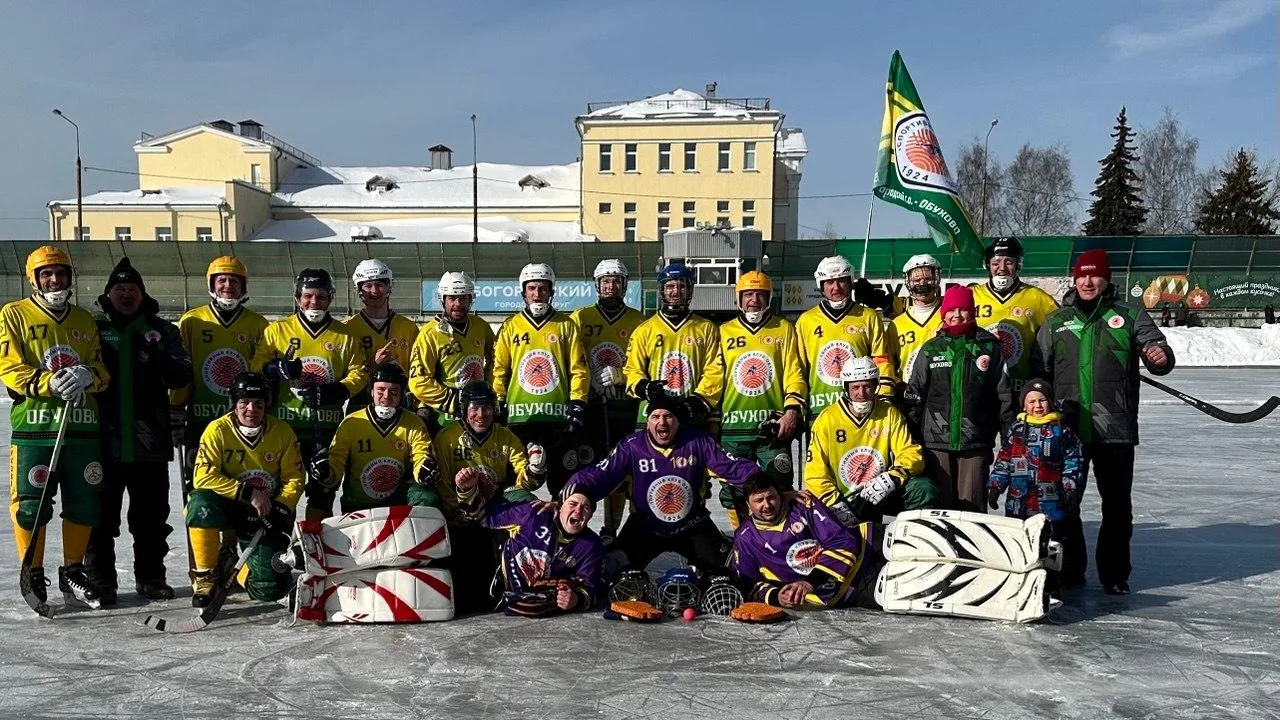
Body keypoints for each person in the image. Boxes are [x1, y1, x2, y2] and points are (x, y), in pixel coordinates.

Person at [1032, 248, 1174, 595]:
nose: (1087, 281)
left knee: (1116, 507)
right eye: (1081, 275)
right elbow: (1039, 371)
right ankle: (1070, 569)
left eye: (1094, 275)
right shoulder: (1056, 321)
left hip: (1116, 430)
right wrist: (1036, 399)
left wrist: (1159, 356)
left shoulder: (1128, 314)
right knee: (1065, 503)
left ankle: (1114, 574)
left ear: (1106, 278)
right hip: (1068, 431)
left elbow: (1157, 348)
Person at [0, 246, 111, 608]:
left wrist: (86, 375)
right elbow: (9, 367)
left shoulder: (83, 319)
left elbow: (101, 371)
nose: (55, 280)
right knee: (32, 504)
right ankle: (31, 569)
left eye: (61, 273)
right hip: (35, 427)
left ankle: (73, 570)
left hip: (81, 428)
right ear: (33, 278)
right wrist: (45, 383)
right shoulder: (13, 314)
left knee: (83, 503)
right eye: (47, 274)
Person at [85, 258, 193, 605]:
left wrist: (156, 356)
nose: (127, 294)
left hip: (150, 439)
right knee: (100, 517)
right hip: (103, 440)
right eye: (120, 289)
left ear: (142, 294)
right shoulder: (93, 328)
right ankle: (100, 580)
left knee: (150, 517)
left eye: (133, 289)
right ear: (108, 294)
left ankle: (151, 576)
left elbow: (181, 375)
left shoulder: (162, 330)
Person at [566, 395, 766, 575]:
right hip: (644, 529)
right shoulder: (632, 445)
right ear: (648, 421)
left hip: (693, 526)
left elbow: (732, 467)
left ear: (677, 421)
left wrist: (771, 488)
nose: (662, 422)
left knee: (732, 571)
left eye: (668, 416)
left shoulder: (698, 440)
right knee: (611, 571)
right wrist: (568, 495)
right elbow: (601, 474)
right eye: (655, 416)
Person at [253, 268, 369, 521]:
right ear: (297, 298)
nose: (313, 302)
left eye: (321, 296)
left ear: (330, 298)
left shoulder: (346, 334)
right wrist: (276, 368)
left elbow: (359, 373)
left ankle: (314, 545)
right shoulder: (278, 331)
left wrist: (336, 390)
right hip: (285, 425)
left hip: (325, 426)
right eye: (307, 296)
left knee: (322, 490)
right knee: (282, 490)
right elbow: (257, 365)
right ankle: (278, 547)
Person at [186, 372, 303, 607]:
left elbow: (295, 478)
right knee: (199, 504)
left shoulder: (282, 432)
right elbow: (202, 476)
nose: (251, 409)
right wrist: (248, 493)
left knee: (268, 589)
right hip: (229, 507)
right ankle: (205, 576)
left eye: (258, 403)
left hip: (263, 514)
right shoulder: (217, 430)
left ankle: (230, 567)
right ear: (234, 404)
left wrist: (282, 506)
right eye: (244, 403)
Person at [433, 379, 546, 612]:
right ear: (464, 410)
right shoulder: (446, 437)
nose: (481, 414)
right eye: (474, 408)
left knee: (527, 503)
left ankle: (527, 579)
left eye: (486, 407)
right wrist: (458, 513)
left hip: (494, 507)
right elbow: (443, 485)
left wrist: (535, 468)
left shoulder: (506, 437)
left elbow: (524, 481)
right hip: (460, 511)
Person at [170, 256, 269, 518]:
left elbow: (262, 375)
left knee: (238, 488)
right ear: (212, 285)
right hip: (200, 421)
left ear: (243, 286)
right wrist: (176, 408)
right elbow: (183, 370)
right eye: (221, 280)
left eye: (234, 281)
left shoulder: (258, 324)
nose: (227, 286)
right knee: (201, 489)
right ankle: (206, 555)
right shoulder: (192, 321)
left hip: (242, 425)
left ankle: (228, 549)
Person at [906, 285, 1015, 512]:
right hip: (936, 443)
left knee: (972, 507)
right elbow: (915, 395)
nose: (957, 315)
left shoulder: (989, 347)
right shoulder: (931, 349)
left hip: (975, 441)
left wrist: (1008, 437)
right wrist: (911, 437)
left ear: (972, 311)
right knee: (939, 508)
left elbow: (1003, 396)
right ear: (943, 314)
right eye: (951, 310)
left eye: (963, 310)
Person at [491, 263, 590, 497]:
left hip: (557, 419)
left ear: (551, 291)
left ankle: (563, 532)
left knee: (564, 486)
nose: (537, 294)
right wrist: (499, 399)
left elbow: (578, 369)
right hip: (520, 419)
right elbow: (499, 369)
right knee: (517, 483)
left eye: (543, 288)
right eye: (532, 288)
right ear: (523, 292)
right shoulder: (510, 326)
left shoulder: (566, 325)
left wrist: (578, 401)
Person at [717, 270, 807, 524]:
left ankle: (782, 538)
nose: (754, 300)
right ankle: (742, 540)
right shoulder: (723, 332)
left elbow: (794, 373)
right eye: (748, 294)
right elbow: (715, 379)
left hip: (772, 428)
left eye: (760, 294)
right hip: (733, 429)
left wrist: (791, 411)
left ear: (769, 298)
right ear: (739, 298)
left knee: (779, 486)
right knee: (733, 491)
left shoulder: (784, 329)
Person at [804, 357, 933, 526]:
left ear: (876, 386)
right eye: (855, 387)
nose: (861, 393)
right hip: (844, 499)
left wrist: (893, 477)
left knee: (923, 488)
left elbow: (911, 453)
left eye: (867, 386)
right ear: (846, 388)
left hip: (881, 492)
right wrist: (836, 503)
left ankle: (916, 537)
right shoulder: (827, 419)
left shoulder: (888, 413)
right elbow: (815, 473)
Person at [570, 259, 643, 540]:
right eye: (605, 281)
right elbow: (572, 358)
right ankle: (580, 526)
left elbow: (642, 363)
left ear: (625, 285)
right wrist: (587, 381)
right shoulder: (580, 317)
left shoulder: (639, 321)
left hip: (623, 407)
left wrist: (622, 375)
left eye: (616, 281)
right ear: (597, 285)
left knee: (623, 471)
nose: (610, 286)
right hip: (591, 406)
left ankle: (612, 528)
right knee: (590, 466)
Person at [453, 481, 604, 617]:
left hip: (508, 609)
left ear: (590, 516)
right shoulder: (533, 513)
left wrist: (576, 599)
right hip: (478, 576)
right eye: (573, 504)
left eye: (586, 509)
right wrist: (466, 489)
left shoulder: (591, 546)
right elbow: (481, 517)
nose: (578, 511)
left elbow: (592, 586)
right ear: (560, 504)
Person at [731, 473, 881, 609]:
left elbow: (842, 542)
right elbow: (748, 585)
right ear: (748, 504)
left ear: (781, 495)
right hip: (848, 587)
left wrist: (810, 582)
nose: (767, 505)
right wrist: (777, 597)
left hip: (865, 546)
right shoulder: (744, 538)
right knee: (897, 593)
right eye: (759, 501)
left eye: (771, 497)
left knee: (902, 534)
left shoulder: (803, 505)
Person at [987, 378, 1083, 589]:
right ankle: (1019, 579)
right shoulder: (1017, 430)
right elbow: (1004, 460)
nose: (1037, 406)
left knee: (1050, 541)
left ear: (1050, 402)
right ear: (1024, 405)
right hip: (1018, 501)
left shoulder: (1061, 430)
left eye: (1042, 401)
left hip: (1050, 500)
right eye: (1032, 402)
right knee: (1019, 541)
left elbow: (1073, 461)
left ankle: (1051, 581)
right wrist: (995, 486)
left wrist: (1070, 488)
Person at [317, 363, 440, 513]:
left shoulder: (414, 422)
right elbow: (337, 460)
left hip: (396, 502)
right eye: (380, 390)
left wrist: (424, 471)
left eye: (394, 391)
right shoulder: (351, 423)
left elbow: (421, 454)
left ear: (402, 394)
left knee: (427, 496)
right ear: (371, 392)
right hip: (358, 505)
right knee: (319, 491)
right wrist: (326, 471)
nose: (386, 397)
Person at [623, 263, 725, 428]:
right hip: (654, 414)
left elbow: (715, 371)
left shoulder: (706, 328)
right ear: (662, 290)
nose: (676, 292)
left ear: (690, 290)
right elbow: (631, 369)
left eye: (682, 286)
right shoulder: (645, 329)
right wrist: (645, 387)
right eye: (670, 286)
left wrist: (698, 401)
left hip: (690, 414)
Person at [796, 255, 896, 420]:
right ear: (821, 285)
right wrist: (797, 407)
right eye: (830, 282)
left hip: (862, 408)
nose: (836, 287)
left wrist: (884, 395)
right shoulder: (806, 321)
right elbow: (799, 368)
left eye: (841, 281)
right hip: (819, 409)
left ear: (850, 282)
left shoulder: (868, 316)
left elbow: (881, 360)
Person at [969, 237, 1059, 393]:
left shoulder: (1037, 298)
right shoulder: (971, 296)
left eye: (1009, 262)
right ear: (988, 265)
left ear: (1018, 264)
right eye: (996, 263)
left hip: (1022, 390)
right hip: (980, 387)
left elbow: (1060, 334)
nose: (1002, 268)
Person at [408, 271, 495, 433]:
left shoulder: (481, 326)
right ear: (442, 300)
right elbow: (418, 381)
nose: (457, 304)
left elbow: (496, 360)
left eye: (463, 298)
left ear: (471, 299)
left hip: (477, 411)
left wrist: (488, 391)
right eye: (452, 298)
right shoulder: (429, 334)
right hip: (443, 414)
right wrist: (454, 400)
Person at [344, 259, 419, 410]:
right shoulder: (348, 329)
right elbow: (342, 375)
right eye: (368, 285)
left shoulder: (409, 328)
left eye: (379, 285)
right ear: (359, 289)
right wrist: (372, 365)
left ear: (389, 287)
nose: (374, 291)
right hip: (361, 406)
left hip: (401, 406)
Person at [889, 254, 943, 388]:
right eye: (917, 279)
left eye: (927, 278)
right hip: (909, 395)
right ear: (908, 281)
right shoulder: (896, 325)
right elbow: (888, 365)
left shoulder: (949, 315)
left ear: (937, 278)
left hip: (944, 393)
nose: (922, 283)